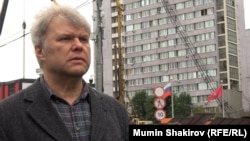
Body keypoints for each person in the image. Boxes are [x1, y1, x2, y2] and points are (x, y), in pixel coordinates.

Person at [0, 4, 129, 141]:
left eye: (84, 39)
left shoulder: (116, 111)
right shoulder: (7, 115)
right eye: (65, 38)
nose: (78, 45)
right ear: (40, 51)